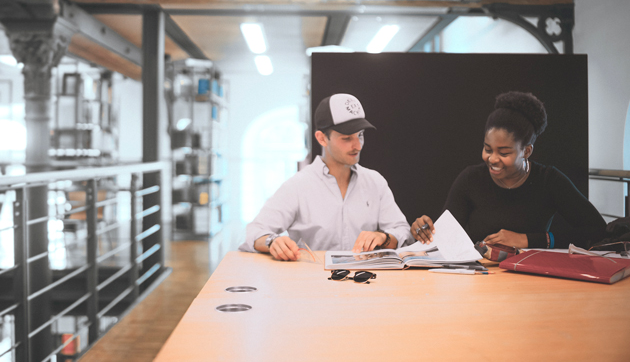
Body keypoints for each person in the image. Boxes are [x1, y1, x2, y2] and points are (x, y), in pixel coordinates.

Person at [411, 91, 606, 250]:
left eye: (504, 153)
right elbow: (445, 236)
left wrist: (527, 240)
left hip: (532, 279)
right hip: (480, 278)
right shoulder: (471, 179)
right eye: (488, 149)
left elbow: (597, 231)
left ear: (526, 151)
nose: (493, 159)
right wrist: (426, 229)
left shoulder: (548, 181)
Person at [239, 93, 413, 260]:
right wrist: (273, 242)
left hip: (367, 283)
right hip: (315, 285)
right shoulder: (298, 186)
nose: (357, 146)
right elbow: (255, 231)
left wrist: (384, 237)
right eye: (346, 138)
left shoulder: (375, 182)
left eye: (360, 135)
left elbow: (403, 231)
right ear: (321, 138)